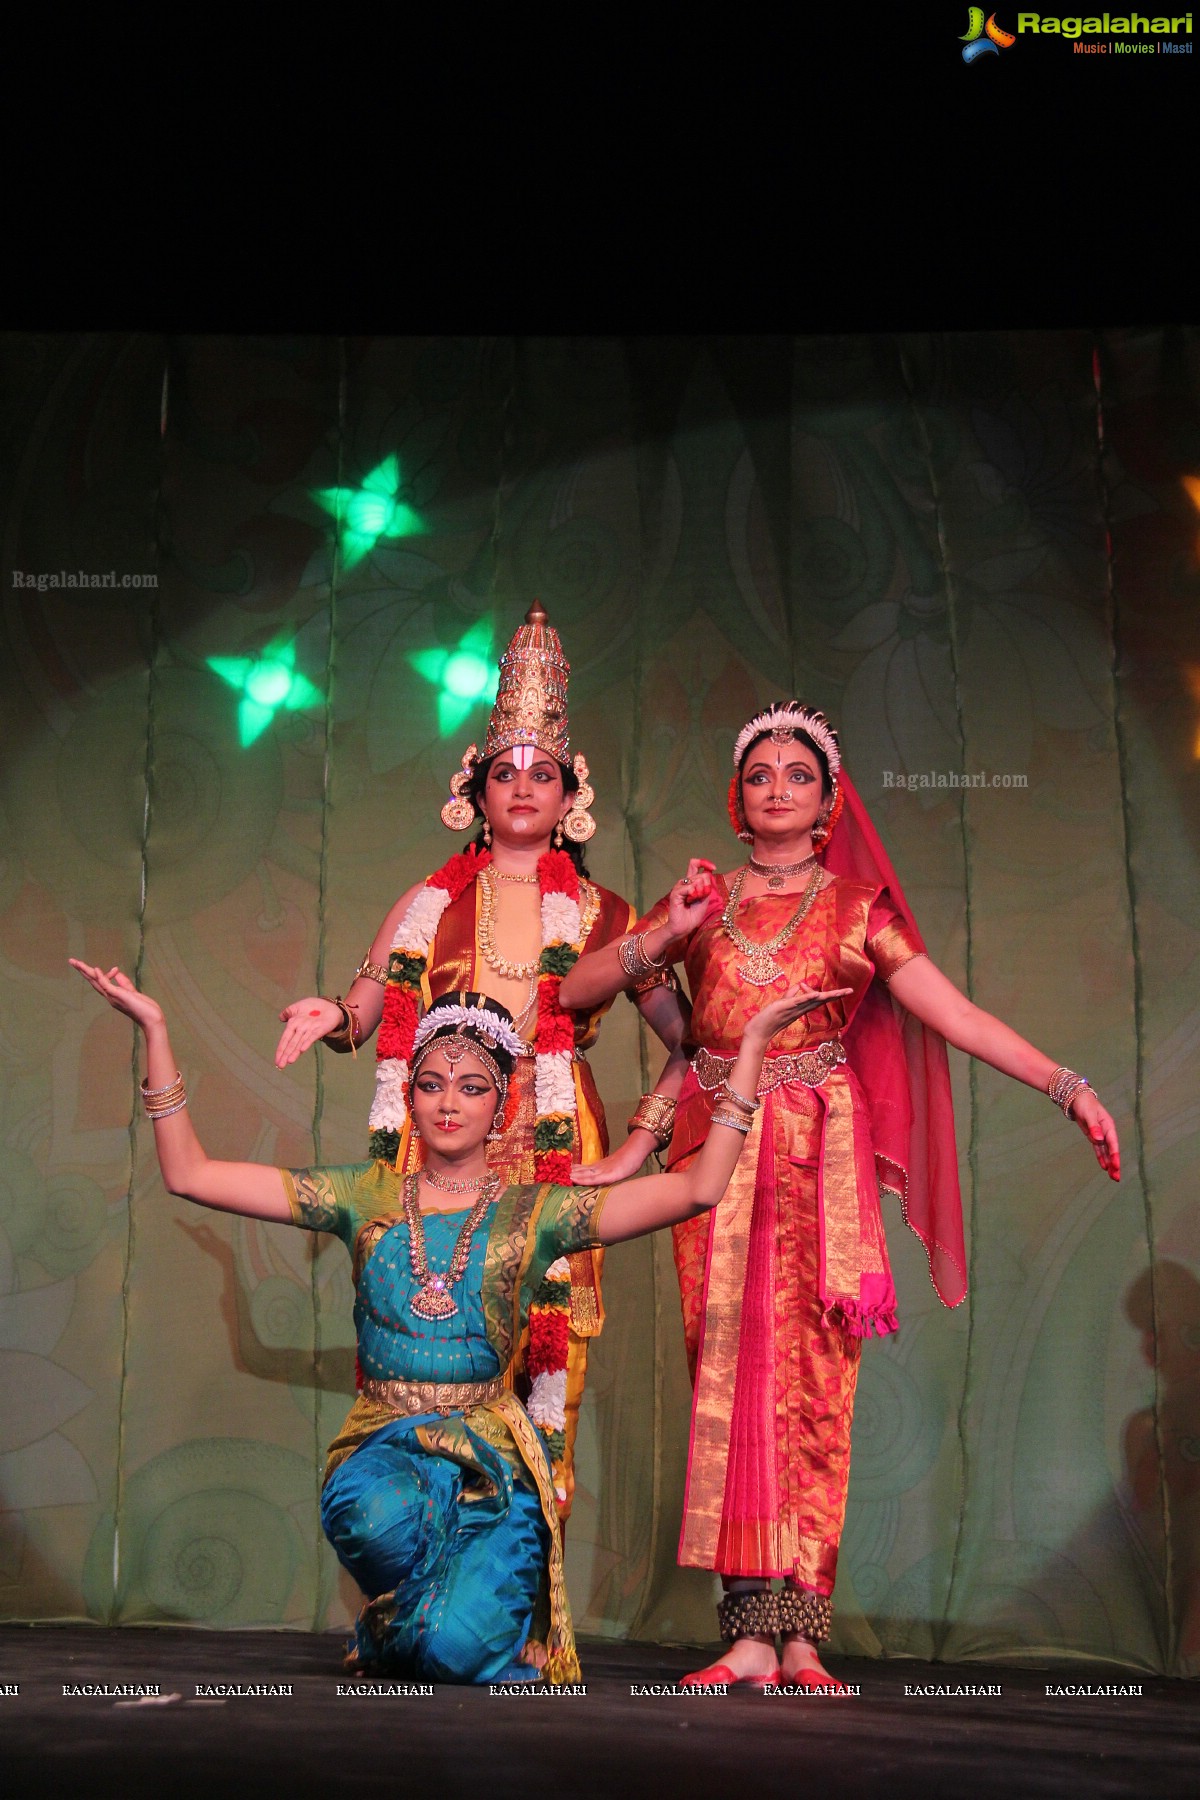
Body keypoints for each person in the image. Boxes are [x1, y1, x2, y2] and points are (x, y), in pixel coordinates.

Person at [559, 701, 1121, 1691]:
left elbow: (953, 1014)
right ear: (740, 796)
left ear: (827, 802)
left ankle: (803, 1633)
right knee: (728, 1378)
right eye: (762, 772)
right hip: (718, 1158)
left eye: (799, 775)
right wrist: (669, 937)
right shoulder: (702, 900)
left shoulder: (859, 909)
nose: (778, 786)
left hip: (820, 1158)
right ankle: (745, 1635)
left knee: (814, 1387)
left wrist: (1065, 1086)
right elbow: (582, 995)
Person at [69, 962, 814, 1685]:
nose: (448, 1103)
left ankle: (430, 1624)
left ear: (503, 1104)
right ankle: (440, 1616)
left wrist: (747, 1056)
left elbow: (697, 1189)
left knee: (454, 1657)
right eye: (430, 1085)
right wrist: (157, 1030)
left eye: (470, 1086)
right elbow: (190, 1174)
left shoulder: (536, 1210)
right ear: (410, 1097)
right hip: (384, 1445)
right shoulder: (363, 1193)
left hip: (488, 1463)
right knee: (368, 1518)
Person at [272, 604, 690, 1517]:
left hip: (554, 1138)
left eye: (544, 773)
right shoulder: (428, 902)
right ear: (476, 789)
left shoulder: (609, 915)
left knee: (548, 1360)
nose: (525, 787)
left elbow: (690, 1045)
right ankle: (421, 1582)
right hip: (443, 1140)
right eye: (506, 772)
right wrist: (334, 1012)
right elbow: (372, 1006)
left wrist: (636, 1147)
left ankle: (530, 1610)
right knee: (433, 1345)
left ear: (571, 794)